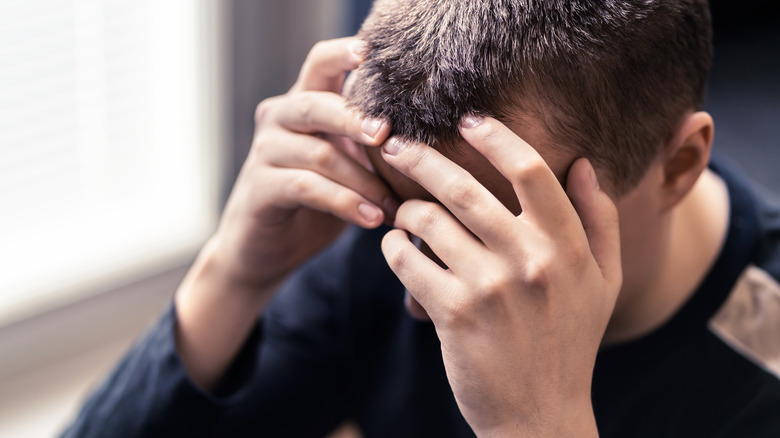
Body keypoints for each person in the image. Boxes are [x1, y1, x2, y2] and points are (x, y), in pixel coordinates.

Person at [62, 0, 780, 437]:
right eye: (408, 211)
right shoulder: (379, 237)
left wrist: (539, 426)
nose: (423, 289)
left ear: (680, 165)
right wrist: (234, 271)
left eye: (484, 231)